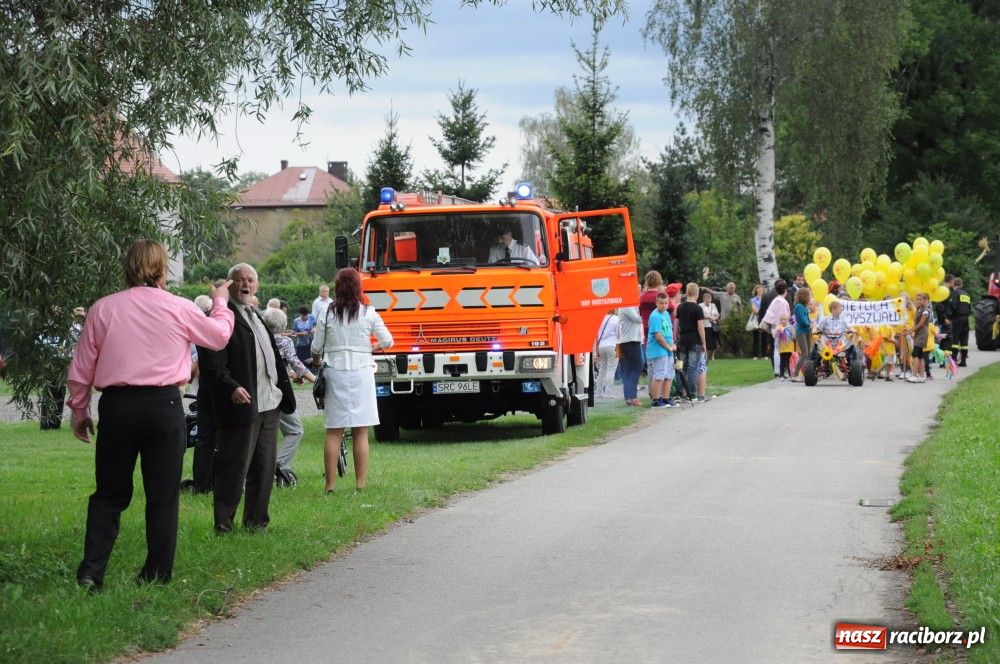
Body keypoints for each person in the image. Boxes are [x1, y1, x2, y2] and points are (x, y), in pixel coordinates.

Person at [67, 239, 234, 591]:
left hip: (117, 407)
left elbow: (81, 369)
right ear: (162, 268)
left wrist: (79, 410)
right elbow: (218, 337)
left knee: (109, 493)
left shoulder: (103, 309)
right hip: (162, 406)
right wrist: (220, 302)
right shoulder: (179, 307)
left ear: (127, 266)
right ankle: (156, 574)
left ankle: (91, 572)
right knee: (162, 495)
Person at [200, 263, 296, 534]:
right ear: (229, 285)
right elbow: (212, 362)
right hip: (241, 404)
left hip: (270, 404)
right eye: (240, 280)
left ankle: (257, 523)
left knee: (264, 469)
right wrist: (230, 386)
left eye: (251, 280)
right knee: (234, 466)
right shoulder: (221, 316)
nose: (246, 284)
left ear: (257, 285)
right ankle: (224, 524)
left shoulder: (257, 315)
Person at [312, 268, 393, 492]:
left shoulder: (327, 312)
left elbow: (316, 347)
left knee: (333, 430)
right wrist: (371, 347)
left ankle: (330, 485)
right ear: (358, 287)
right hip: (362, 372)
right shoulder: (368, 312)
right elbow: (388, 340)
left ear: (337, 287)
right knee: (360, 430)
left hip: (335, 372)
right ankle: (360, 484)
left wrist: (318, 361)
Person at [260, 307, 316, 487]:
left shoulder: (257, 339)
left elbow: (278, 366)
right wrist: (314, 379)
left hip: (258, 391)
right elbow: (296, 363)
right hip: (278, 393)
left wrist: (291, 374)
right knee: (295, 430)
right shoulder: (284, 342)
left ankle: (263, 468)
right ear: (283, 325)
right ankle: (279, 465)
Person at [180, 294, 217, 494]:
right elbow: (193, 371)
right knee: (210, 439)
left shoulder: (200, 333)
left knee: (205, 440)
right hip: (211, 393)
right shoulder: (210, 334)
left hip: (203, 392)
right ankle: (209, 482)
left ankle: (203, 483)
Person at [676, 282, 707, 403]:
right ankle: (692, 394)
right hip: (694, 341)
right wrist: (703, 343)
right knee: (693, 368)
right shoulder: (698, 308)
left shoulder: (680, 307)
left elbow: (676, 324)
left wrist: (676, 336)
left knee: (681, 367)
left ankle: (679, 392)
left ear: (687, 292)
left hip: (682, 339)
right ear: (697, 293)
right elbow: (700, 328)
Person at [646, 292, 678, 407]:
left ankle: (666, 397)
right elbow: (658, 336)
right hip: (658, 350)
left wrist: (673, 344)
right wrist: (669, 347)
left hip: (668, 349)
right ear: (656, 303)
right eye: (661, 303)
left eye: (666, 303)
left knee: (669, 374)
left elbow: (669, 331)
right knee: (659, 375)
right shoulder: (655, 316)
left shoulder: (666, 314)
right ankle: (656, 399)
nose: (664, 305)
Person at [761, 279, 791, 377]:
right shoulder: (783, 302)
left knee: (776, 349)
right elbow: (784, 317)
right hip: (781, 328)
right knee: (781, 350)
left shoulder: (775, 301)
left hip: (774, 327)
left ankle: (777, 369)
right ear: (785, 290)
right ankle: (781, 369)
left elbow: (768, 314)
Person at [617, 303, 644, 407]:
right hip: (631, 340)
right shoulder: (626, 305)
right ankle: (632, 397)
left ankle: (629, 397)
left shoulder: (627, 306)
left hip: (630, 340)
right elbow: (638, 319)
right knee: (638, 367)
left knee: (629, 370)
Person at [594, 309, 619, 399]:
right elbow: (619, 334)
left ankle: (599, 392)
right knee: (611, 369)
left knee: (602, 370)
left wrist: (597, 350)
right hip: (613, 345)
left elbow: (597, 336)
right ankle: (608, 393)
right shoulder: (616, 319)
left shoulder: (600, 319)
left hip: (601, 346)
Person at [947, 277, 971, 366]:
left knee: (955, 340)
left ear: (953, 284)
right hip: (966, 319)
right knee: (964, 340)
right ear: (962, 284)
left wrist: (949, 316)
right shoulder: (966, 294)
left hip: (957, 319)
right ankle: (963, 361)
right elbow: (969, 308)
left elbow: (953, 305)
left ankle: (953, 360)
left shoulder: (955, 293)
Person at [908, 292, 932, 383]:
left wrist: (910, 331)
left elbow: (921, 324)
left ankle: (914, 375)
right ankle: (922, 375)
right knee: (921, 355)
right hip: (918, 333)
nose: (917, 301)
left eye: (920, 299)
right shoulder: (919, 309)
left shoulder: (925, 311)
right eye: (917, 299)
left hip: (922, 333)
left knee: (915, 353)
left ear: (925, 300)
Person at [791, 287, 812, 381]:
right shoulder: (798, 306)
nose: (810, 297)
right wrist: (810, 324)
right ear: (805, 296)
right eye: (809, 295)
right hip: (801, 332)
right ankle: (795, 374)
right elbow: (802, 320)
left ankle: (807, 373)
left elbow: (807, 319)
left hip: (807, 331)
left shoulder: (804, 307)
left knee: (809, 353)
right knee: (804, 353)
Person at [773, 314, 796, 380]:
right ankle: (782, 375)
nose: (783, 321)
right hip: (782, 348)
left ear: (787, 320)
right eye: (781, 320)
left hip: (790, 347)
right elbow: (776, 337)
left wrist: (787, 332)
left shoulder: (791, 327)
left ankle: (790, 375)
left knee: (790, 361)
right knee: (782, 362)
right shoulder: (778, 327)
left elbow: (794, 336)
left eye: (784, 319)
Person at [700, 290, 720, 361]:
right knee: (706, 342)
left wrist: (714, 318)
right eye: (707, 299)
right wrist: (709, 317)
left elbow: (717, 314)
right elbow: (700, 316)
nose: (708, 300)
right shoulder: (700, 306)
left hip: (713, 326)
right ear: (704, 299)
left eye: (709, 299)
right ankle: (705, 355)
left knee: (714, 342)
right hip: (705, 326)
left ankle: (712, 356)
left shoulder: (713, 305)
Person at [749, 285, 764, 359]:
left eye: (762, 289)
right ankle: (755, 355)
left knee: (765, 337)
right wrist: (761, 310)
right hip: (756, 319)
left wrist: (759, 310)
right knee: (756, 337)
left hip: (764, 319)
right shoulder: (753, 300)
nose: (761, 290)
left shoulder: (765, 299)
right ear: (756, 290)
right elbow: (755, 310)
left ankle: (765, 355)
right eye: (759, 289)